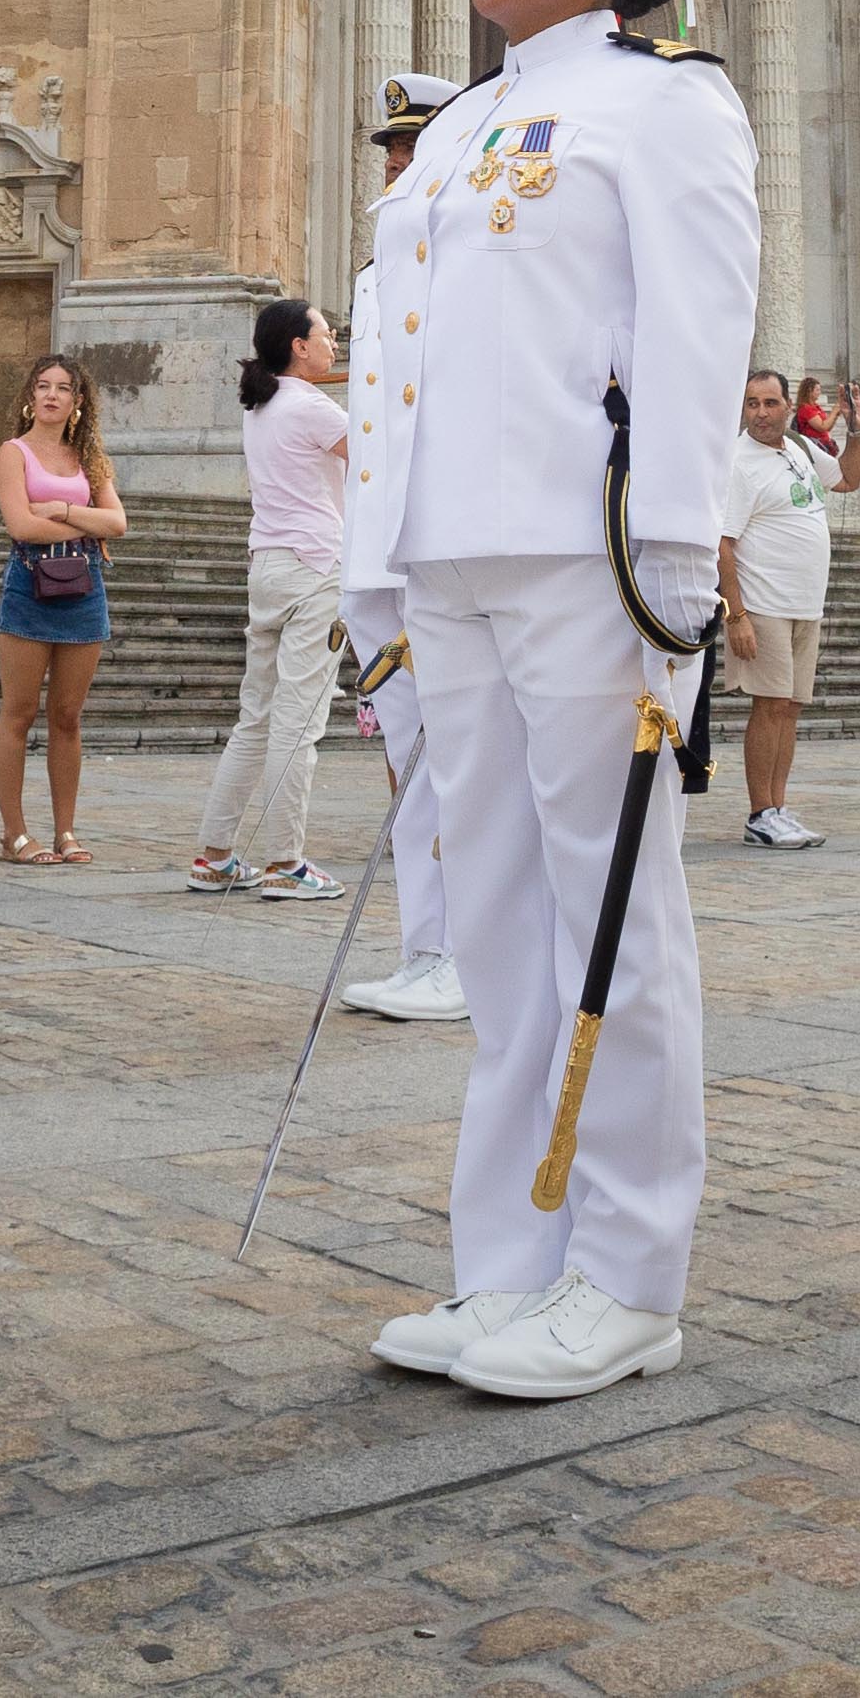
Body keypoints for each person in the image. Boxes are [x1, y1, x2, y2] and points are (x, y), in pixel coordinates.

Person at [354, 0, 755, 1403]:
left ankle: (628, 1271)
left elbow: (694, 328)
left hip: (583, 559)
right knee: (506, 927)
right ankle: (511, 1260)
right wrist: (378, 561)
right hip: (451, 554)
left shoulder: (664, 105)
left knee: (612, 917)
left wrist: (672, 550)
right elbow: (399, 359)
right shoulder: (453, 131)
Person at [339, 74, 473, 1021]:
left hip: (436, 545)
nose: (393, 163)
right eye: (388, 150)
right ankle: (426, 945)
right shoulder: (379, 273)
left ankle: (465, 952)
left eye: (410, 149)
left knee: (461, 766)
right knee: (410, 764)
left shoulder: (467, 263)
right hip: (379, 555)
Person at [191, 298, 349, 900]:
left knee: (256, 716)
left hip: (269, 565)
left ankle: (216, 855)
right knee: (298, 720)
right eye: (326, 335)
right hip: (315, 567)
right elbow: (371, 464)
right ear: (298, 346)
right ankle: (286, 862)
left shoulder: (261, 403)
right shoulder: (310, 405)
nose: (334, 342)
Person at [719, 369, 860, 850]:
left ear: (787, 405)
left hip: (806, 604)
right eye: (752, 403)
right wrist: (735, 615)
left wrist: (858, 430)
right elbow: (722, 544)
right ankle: (760, 812)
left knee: (790, 709)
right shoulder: (738, 462)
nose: (760, 412)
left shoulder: (800, 449)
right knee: (769, 707)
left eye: (769, 402)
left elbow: (848, 478)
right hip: (763, 604)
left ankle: (778, 807)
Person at [0, 355, 123, 864]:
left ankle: (66, 831)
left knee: (68, 716)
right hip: (29, 582)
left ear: (77, 401)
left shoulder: (89, 457)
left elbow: (118, 523)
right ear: (30, 395)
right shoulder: (14, 452)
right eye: (42, 386)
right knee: (18, 713)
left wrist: (65, 511)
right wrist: (86, 525)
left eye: (63, 388)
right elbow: (21, 526)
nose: (51, 395)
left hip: (84, 588)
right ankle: (15, 834)